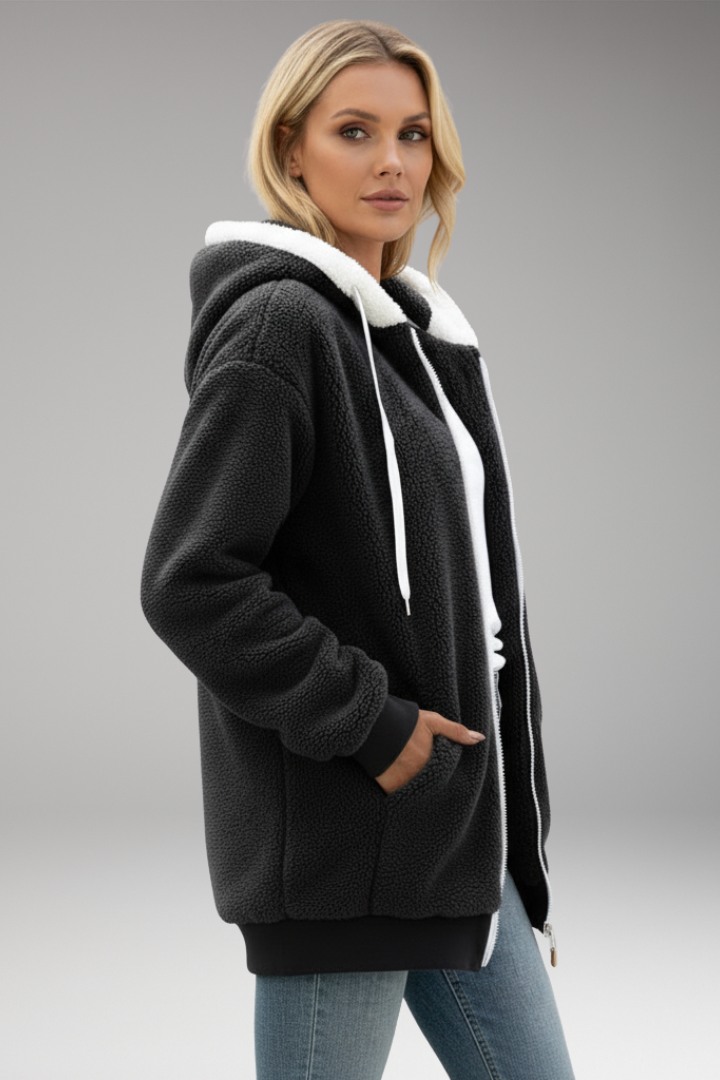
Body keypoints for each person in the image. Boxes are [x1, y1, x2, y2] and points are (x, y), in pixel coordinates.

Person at [140, 17, 576, 1080]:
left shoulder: (411, 340)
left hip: (453, 830)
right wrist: (374, 727)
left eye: (413, 134)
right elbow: (192, 580)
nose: (392, 162)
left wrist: (504, 822)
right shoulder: (280, 327)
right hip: (349, 836)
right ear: (291, 150)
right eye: (354, 131)